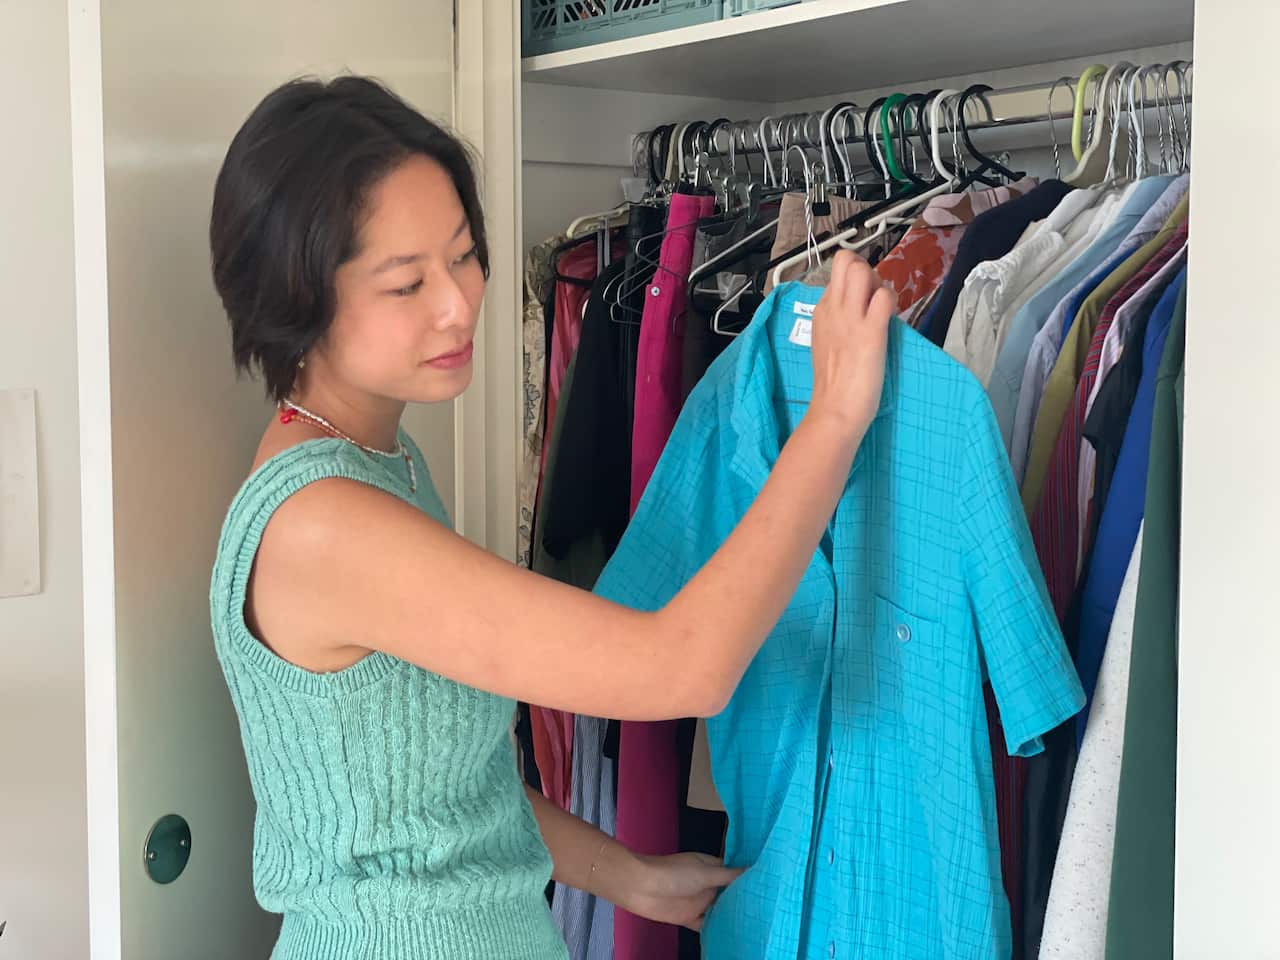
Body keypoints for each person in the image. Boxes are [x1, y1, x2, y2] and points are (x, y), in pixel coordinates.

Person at [208, 75, 893, 960]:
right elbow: (683, 667)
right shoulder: (324, 525)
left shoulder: (380, 462)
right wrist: (834, 417)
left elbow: (441, 795)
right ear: (295, 303)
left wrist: (630, 876)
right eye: (406, 284)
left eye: (461, 254)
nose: (459, 302)